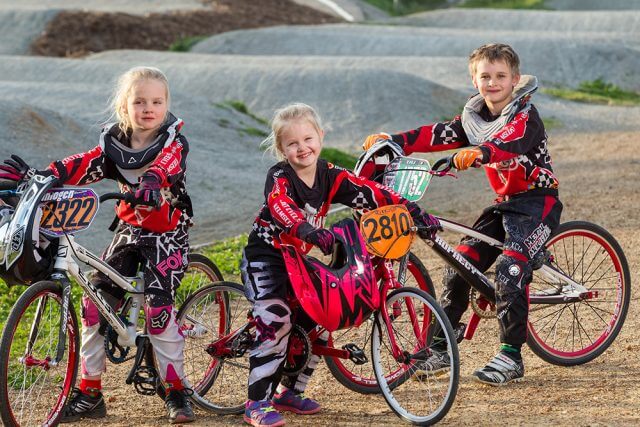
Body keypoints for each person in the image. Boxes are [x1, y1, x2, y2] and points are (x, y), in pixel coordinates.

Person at [0, 66, 195, 423]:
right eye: (139, 101)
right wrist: (44, 175)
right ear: (125, 106)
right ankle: (90, 392)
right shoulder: (115, 143)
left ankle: (177, 390)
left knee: (158, 311)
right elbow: (84, 164)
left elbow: (169, 165)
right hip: (129, 227)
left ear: (167, 105)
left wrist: (152, 180)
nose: (148, 108)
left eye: (157, 101)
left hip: (168, 230)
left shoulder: (172, 142)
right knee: (94, 304)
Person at [362, 43, 563, 386]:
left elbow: (507, 142)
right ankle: (440, 349)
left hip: (538, 203)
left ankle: (511, 356)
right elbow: (436, 133)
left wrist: (479, 154)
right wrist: (392, 140)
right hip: (505, 205)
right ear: (474, 80)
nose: (493, 82)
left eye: (501, 76)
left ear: (515, 79)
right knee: (459, 263)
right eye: (485, 76)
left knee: (509, 269)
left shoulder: (526, 116)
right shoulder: (473, 118)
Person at [240, 102, 441, 427]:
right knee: (275, 319)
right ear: (282, 149)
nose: (302, 148)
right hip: (266, 256)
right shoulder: (279, 176)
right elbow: (280, 208)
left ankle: (288, 391)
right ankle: (256, 403)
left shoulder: (330, 175)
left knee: (321, 316)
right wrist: (307, 230)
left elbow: (373, 193)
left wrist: (413, 212)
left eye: (308, 139)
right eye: (292, 143)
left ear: (321, 136)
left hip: (299, 259)